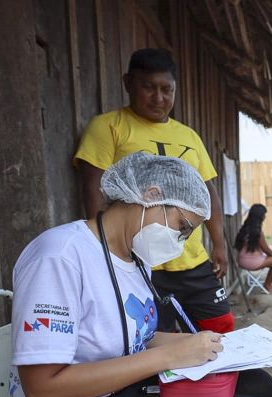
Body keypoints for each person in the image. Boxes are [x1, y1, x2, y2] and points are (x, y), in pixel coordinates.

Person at [10, 153, 272, 397]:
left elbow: (135, 336)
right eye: (182, 226)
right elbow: (41, 389)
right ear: (150, 195)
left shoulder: (134, 259)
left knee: (257, 384)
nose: (181, 242)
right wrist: (170, 355)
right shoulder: (60, 256)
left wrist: (206, 345)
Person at [73, 48, 235, 336]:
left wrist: (219, 243)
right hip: (140, 259)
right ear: (128, 83)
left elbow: (208, 191)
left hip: (192, 257)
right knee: (156, 338)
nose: (159, 98)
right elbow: (92, 187)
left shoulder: (189, 136)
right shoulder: (109, 127)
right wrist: (108, 250)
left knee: (221, 327)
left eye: (166, 90)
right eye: (148, 87)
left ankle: (218, 383)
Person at [234, 204, 272, 294]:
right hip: (252, 262)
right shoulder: (257, 232)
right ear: (260, 216)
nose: (265, 217)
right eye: (264, 214)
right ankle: (267, 285)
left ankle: (267, 284)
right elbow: (266, 249)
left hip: (241, 261)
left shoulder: (244, 229)